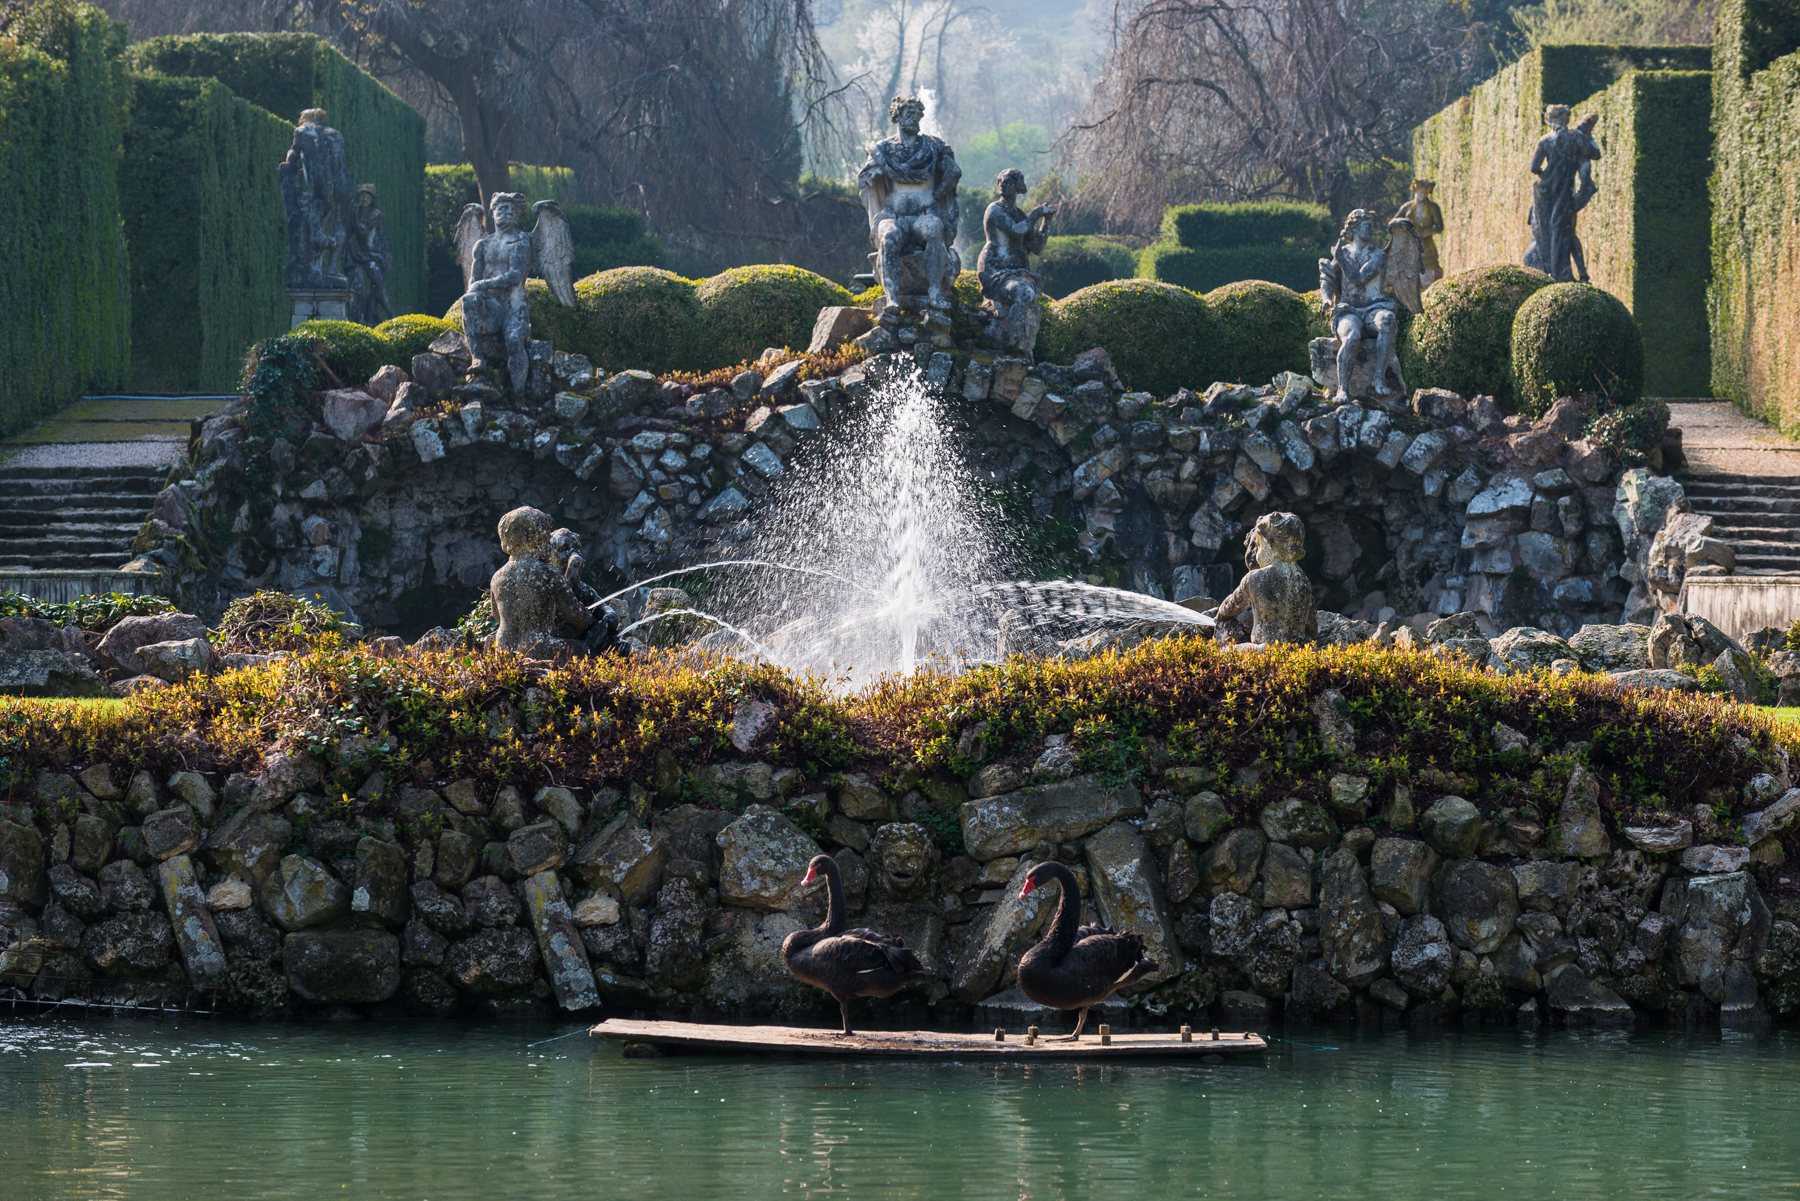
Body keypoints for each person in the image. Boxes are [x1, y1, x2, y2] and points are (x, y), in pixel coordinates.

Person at [857, 96, 961, 319]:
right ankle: (892, 297)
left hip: (926, 214)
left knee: (934, 230)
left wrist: (938, 194)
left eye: (917, 116)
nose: (914, 119)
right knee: (889, 236)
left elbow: (954, 172)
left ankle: (934, 291)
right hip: (893, 215)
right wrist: (870, 177)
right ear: (897, 116)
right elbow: (865, 178)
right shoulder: (883, 149)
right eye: (908, 115)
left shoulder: (933, 146)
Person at [490, 507, 596, 660]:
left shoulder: (497, 577)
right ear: (534, 539)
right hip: (538, 648)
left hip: (503, 650)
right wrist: (592, 621)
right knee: (587, 651)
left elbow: (496, 615)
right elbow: (575, 616)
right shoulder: (549, 574)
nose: (548, 543)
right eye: (546, 537)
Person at [1318, 209, 1401, 401]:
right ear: (1354, 228)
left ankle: (1378, 378)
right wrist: (1326, 298)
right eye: (1367, 225)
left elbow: (1360, 279)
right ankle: (1342, 389)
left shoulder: (1378, 255)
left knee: (1388, 320)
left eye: (1373, 225)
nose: (1372, 229)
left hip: (1373, 308)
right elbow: (1328, 278)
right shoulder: (1344, 252)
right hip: (1348, 310)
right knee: (1352, 336)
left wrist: (1340, 258)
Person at [976, 168, 1056, 355]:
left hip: (1019, 273)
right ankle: (1012, 345)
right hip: (995, 270)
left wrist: (1047, 222)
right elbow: (1015, 231)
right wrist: (1036, 214)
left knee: (1026, 293)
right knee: (1023, 293)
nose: (1003, 184)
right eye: (1000, 181)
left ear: (1019, 186)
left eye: (1009, 181)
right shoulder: (994, 209)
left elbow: (1037, 248)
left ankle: (1020, 345)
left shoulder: (1021, 216)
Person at [460, 192, 533, 389]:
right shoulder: (482, 245)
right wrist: (476, 291)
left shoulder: (521, 241)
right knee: (468, 300)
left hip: (513, 306)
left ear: (517, 214)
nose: (507, 212)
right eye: (501, 208)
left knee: (514, 341)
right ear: (492, 214)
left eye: (511, 209)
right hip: (491, 307)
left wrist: (482, 285)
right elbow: (474, 279)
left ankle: (520, 397)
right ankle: (478, 359)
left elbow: (514, 276)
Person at [1213, 512, 1317, 646]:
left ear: (1269, 545)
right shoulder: (1303, 581)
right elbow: (1312, 624)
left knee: (1226, 637)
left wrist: (1218, 616)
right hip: (1298, 649)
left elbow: (1228, 608)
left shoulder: (1256, 578)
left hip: (1266, 650)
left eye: (1259, 545)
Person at [1394, 179, 1444, 287]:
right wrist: (1407, 230)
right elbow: (1394, 222)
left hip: (1427, 247)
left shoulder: (1432, 207)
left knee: (1428, 276)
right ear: (1415, 191)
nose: (1423, 195)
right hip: (1410, 247)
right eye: (1421, 192)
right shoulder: (1407, 207)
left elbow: (1440, 226)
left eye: (1426, 192)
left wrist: (1427, 232)